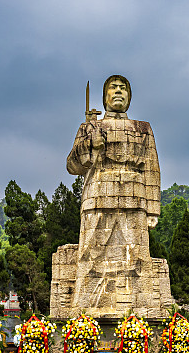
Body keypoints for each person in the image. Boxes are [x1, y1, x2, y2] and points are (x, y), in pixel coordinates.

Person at [64, 75, 166, 317]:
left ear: (129, 96)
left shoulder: (143, 129)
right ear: (104, 96)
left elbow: (152, 168)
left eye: (123, 88)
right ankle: (83, 311)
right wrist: (90, 145)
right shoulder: (89, 127)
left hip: (135, 197)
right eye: (113, 88)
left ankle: (142, 309)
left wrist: (153, 209)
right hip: (97, 195)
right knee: (90, 255)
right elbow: (73, 166)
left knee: (139, 257)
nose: (118, 92)